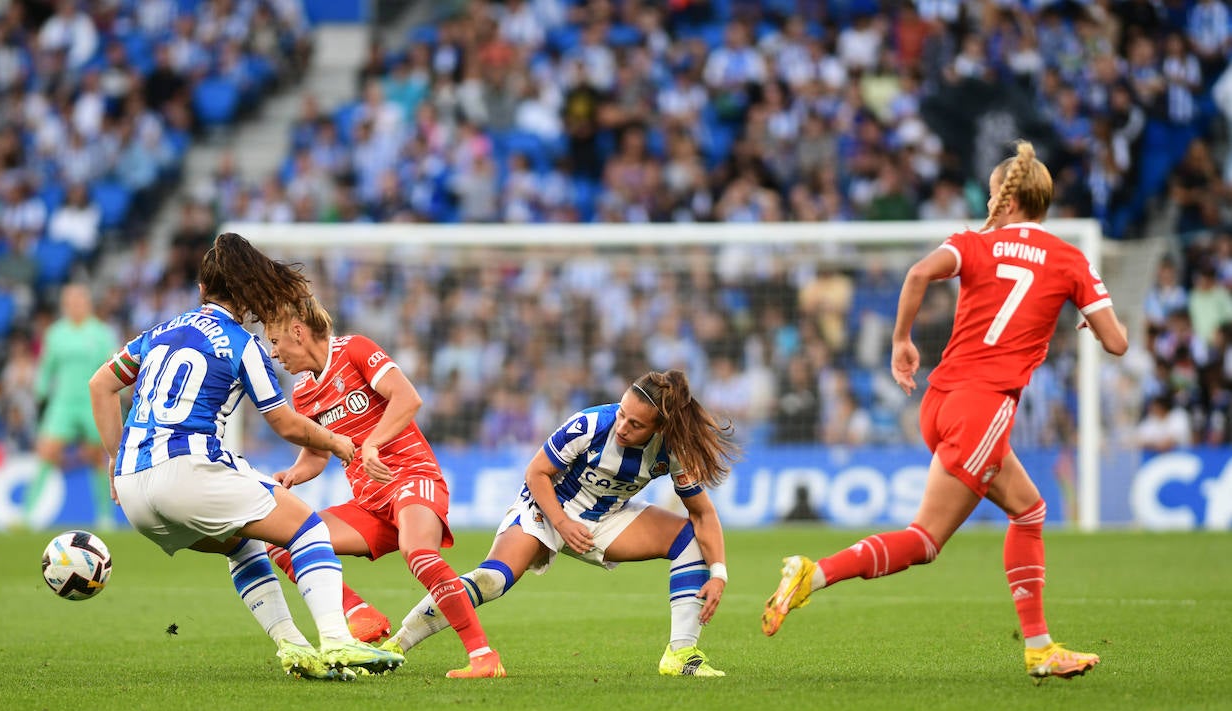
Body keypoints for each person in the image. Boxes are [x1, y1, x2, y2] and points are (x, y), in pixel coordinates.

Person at [762, 141, 1129, 682]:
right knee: (925, 541)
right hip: (985, 409)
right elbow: (1117, 342)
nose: (988, 204)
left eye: (992, 196)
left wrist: (901, 342)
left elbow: (917, 274)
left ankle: (1040, 648)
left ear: (1006, 201)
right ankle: (813, 574)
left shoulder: (973, 243)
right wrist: (1088, 320)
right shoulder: (1069, 259)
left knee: (1029, 510)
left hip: (941, 402)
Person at [87, 232, 404, 681]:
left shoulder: (158, 333)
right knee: (308, 529)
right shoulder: (242, 343)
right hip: (189, 469)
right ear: (247, 292)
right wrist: (336, 442)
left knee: (242, 544)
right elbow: (286, 424)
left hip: (134, 492)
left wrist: (116, 459)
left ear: (202, 289)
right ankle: (337, 640)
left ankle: (295, 647)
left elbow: (100, 385)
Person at [384, 369, 737, 678]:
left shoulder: (673, 449)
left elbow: (703, 514)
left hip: (606, 517)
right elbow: (536, 472)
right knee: (492, 580)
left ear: (660, 428)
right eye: (622, 414)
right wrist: (562, 522)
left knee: (690, 538)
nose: (622, 427)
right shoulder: (590, 424)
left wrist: (718, 573)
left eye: (636, 424)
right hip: (545, 507)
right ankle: (397, 644)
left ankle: (681, 655)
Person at [261, 298, 506, 678]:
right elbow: (317, 453)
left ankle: (483, 657)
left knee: (418, 552)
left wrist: (372, 443)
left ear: (298, 331)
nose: (274, 353)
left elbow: (408, 398)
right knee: (281, 540)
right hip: (369, 505)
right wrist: (294, 474)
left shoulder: (355, 349)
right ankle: (361, 614)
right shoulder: (304, 391)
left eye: (275, 342)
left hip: (412, 479)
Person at [24, 284, 118, 528]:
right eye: (71, 302)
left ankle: (104, 516)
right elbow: (47, 367)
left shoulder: (101, 333)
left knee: (97, 456)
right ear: (65, 305)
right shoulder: (56, 334)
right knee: (47, 452)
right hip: (63, 401)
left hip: (92, 402)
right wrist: (40, 391)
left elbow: (112, 366)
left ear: (88, 304)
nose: (75, 305)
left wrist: (121, 393)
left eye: (80, 300)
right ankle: (28, 515)